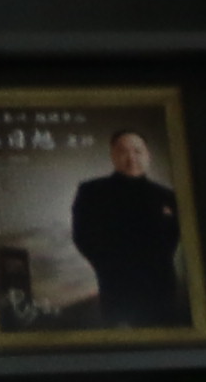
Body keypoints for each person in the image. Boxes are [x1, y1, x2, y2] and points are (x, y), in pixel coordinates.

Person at [71, 127, 191, 330]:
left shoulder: (167, 195)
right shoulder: (92, 191)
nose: (131, 157)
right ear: (113, 155)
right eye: (123, 151)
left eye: (137, 151)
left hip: (161, 285)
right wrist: (108, 267)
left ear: (148, 155)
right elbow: (82, 235)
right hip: (116, 284)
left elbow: (174, 237)